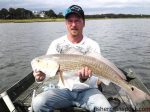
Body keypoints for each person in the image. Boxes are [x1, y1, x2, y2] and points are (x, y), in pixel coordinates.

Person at [32, 5, 111, 112]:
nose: (73, 25)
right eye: (70, 21)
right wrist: (40, 77)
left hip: (89, 91)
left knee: (105, 109)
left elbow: (98, 78)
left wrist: (84, 79)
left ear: (83, 23)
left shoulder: (93, 45)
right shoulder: (56, 44)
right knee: (38, 103)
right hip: (63, 91)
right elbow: (49, 71)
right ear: (66, 23)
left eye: (77, 21)